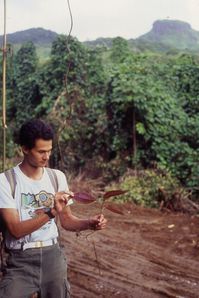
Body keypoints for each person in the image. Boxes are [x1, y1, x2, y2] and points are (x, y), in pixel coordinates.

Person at [0, 118, 107, 298]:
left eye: (49, 151)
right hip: (20, 261)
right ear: (25, 148)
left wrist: (90, 223)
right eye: (41, 151)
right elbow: (15, 230)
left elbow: (67, 221)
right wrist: (51, 212)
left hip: (53, 258)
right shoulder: (6, 181)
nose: (47, 157)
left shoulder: (56, 177)